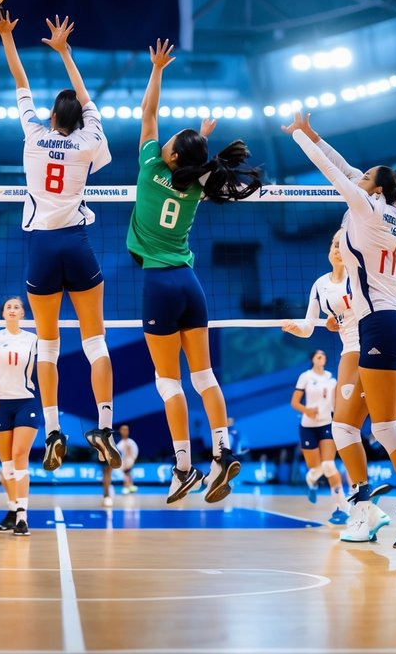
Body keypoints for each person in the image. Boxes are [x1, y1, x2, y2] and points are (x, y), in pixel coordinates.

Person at [282, 111, 396, 547]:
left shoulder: (364, 209)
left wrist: (301, 142)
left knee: (382, 427)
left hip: (376, 325)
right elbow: (345, 169)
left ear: (375, 190)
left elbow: (332, 174)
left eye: (365, 181)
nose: (357, 182)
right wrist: (311, 132)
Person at [126, 39, 261, 504]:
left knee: (169, 383)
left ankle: (183, 466)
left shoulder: (149, 168)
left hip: (159, 286)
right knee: (204, 376)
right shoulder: (201, 184)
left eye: (169, 144)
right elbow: (200, 165)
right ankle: (223, 451)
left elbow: (148, 113)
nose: (161, 141)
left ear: (172, 158)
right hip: (190, 284)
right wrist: (201, 136)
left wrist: (157, 70)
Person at [0, 10, 118, 471]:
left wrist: (8, 37)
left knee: (47, 346)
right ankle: (103, 424)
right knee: (95, 342)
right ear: (79, 119)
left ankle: (54, 430)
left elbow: (19, 81)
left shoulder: (33, 135)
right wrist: (65, 52)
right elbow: (87, 98)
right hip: (77, 244)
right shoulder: (88, 142)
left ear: (49, 117)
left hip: (40, 247)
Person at [283, 230, 391, 540]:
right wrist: (296, 327)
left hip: (367, 348)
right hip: (349, 352)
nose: (336, 248)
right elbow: (309, 325)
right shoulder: (320, 284)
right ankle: (370, 507)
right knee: (353, 427)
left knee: (362, 426)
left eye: (342, 244)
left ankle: (377, 505)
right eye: (332, 243)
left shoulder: (361, 276)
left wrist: (343, 316)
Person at [0, 296, 39, 537]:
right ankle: (12, 511)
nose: (12, 310)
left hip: (26, 402)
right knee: (7, 465)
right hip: (0, 404)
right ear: (3, 313)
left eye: (17, 307)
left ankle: (23, 516)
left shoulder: (33, 339)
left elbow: (46, 368)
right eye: (8, 307)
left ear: (23, 314)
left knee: (19, 455)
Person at [287, 350, 350, 525]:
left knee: (329, 465)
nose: (322, 357)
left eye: (324, 355)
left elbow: (337, 403)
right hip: (308, 426)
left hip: (326, 424)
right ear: (312, 359)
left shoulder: (332, 379)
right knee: (315, 469)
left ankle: (341, 507)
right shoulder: (305, 377)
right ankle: (312, 482)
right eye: (318, 355)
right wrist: (307, 410)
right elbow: (294, 402)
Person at [102, 424, 140, 505]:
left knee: (127, 473)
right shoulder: (119, 445)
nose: (124, 432)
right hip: (121, 465)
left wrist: (132, 460)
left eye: (126, 430)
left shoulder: (131, 442)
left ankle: (129, 485)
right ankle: (109, 493)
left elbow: (135, 452)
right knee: (110, 472)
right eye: (123, 430)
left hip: (129, 463)